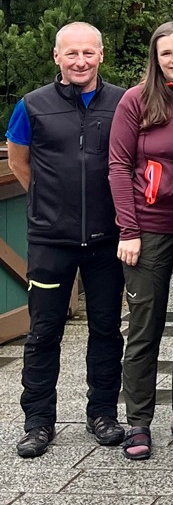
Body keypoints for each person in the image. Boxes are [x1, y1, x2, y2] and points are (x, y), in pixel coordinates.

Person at [6, 23, 126, 459]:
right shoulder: (32, 105)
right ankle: (38, 421)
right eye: (71, 53)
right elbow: (19, 159)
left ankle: (103, 414)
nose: (81, 61)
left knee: (107, 330)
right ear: (56, 56)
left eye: (88, 53)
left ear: (100, 54)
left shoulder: (122, 102)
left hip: (106, 239)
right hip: (50, 239)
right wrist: (48, 200)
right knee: (42, 333)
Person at [107, 22, 173, 460]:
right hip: (146, 228)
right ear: (156, 57)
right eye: (167, 53)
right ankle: (138, 421)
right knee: (144, 327)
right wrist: (128, 230)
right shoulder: (137, 99)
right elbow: (117, 166)